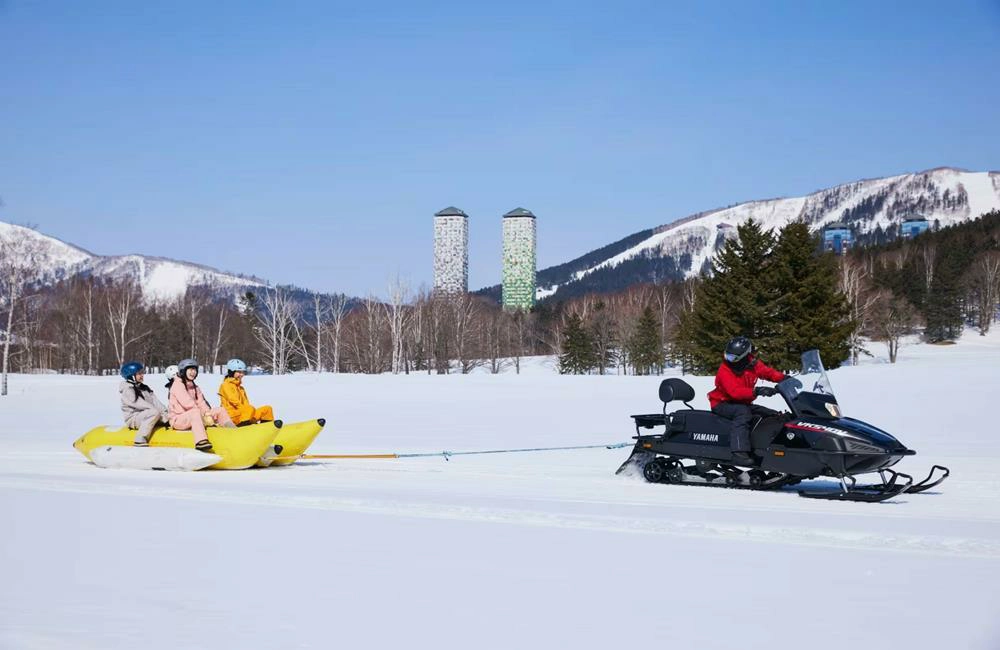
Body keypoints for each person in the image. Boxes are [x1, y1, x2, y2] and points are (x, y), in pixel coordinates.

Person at [707, 337, 786, 463]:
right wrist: (756, 391)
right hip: (722, 403)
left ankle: (766, 448)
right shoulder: (724, 369)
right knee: (742, 413)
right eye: (727, 355)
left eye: (732, 357)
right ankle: (738, 451)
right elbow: (734, 392)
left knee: (770, 414)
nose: (728, 360)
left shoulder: (751, 363)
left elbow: (767, 372)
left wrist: (783, 378)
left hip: (741, 402)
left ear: (744, 355)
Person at [168, 358, 235, 453]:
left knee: (220, 410)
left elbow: (201, 403)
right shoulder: (177, 385)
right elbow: (187, 403)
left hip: (195, 416)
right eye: (190, 369)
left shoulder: (195, 387)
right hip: (178, 419)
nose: (193, 372)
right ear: (183, 371)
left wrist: (207, 413)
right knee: (195, 412)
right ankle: (201, 441)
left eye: (195, 370)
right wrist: (204, 416)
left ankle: (233, 431)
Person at [119, 362, 169, 447]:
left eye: (142, 373)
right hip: (133, 418)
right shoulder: (127, 389)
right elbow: (139, 404)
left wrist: (166, 412)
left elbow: (155, 402)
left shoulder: (144, 388)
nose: (142, 375)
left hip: (148, 415)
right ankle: (139, 439)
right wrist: (157, 412)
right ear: (131, 375)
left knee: (167, 415)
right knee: (154, 412)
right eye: (139, 373)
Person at [218, 358, 275, 426]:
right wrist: (249, 411)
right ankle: (245, 428)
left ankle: (267, 430)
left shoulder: (241, 388)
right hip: (231, 416)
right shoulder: (225, 385)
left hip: (244, 414)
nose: (242, 374)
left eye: (242, 372)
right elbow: (234, 401)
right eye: (239, 372)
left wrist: (252, 413)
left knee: (267, 409)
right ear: (232, 372)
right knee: (249, 409)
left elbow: (246, 404)